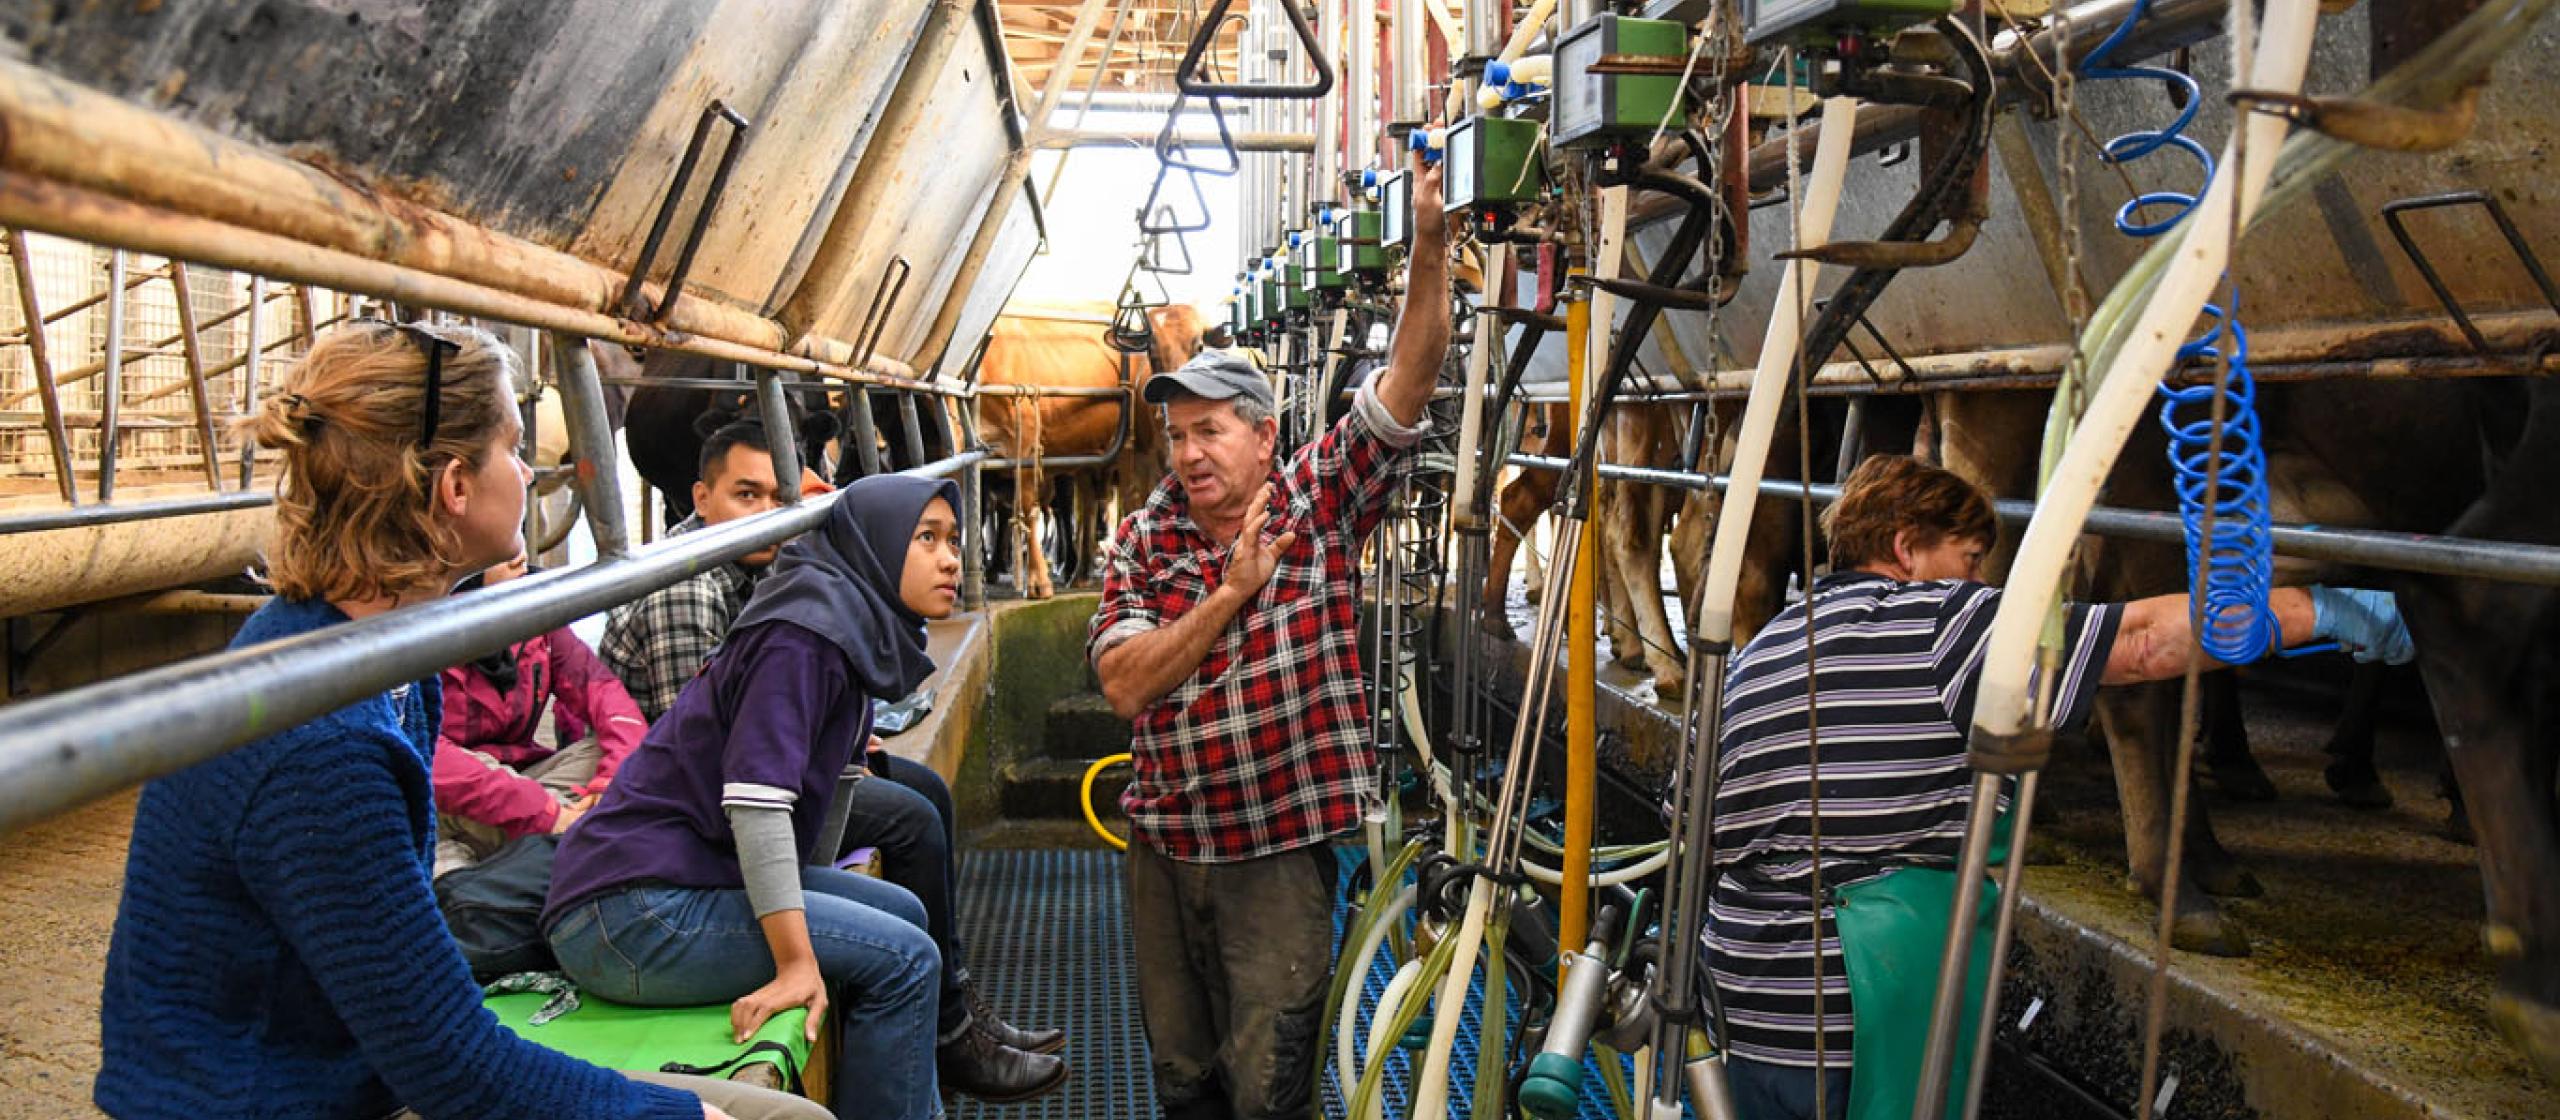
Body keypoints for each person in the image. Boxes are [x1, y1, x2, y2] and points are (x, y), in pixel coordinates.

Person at [94, 320, 811, 1120]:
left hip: (343, 1076)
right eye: (512, 445)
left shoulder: (390, 654)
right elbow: (453, 1066)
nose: (531, 468)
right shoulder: (323, 745)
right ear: (454, 489)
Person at [1704, 454, 2412, 1120]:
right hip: (1854, 1017)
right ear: (1904, 549)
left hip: (1740, 1006)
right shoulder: (1949, 621)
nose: (1980, 581)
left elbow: (1696, 825)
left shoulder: (1762, 649)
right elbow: (2138, 641)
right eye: (1970, 559)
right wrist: (2326, 610)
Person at [1085, 148, 1451, 1120]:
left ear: (1264, 435)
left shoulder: (1317, 501)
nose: (1190, 452)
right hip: (1166, 852)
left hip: (1278, 853)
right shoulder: (1144, 541)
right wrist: (1230, 593)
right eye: (1177, 435)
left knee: (1271, 1081)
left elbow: (1407, 382)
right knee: (1184, 1078)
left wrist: (1428, 243)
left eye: (1210, 430)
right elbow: (1124, 684)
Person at [545, 475, 1069, 1117]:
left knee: (904, 912)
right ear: (873, 544)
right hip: (627, 917)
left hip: (681, 885)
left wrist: (822, 917)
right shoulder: (803, 637)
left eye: (953, 539)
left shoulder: (852, 623)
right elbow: (759, 808)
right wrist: (797, 959)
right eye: (925, 538)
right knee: (905, 959)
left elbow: (830, 790)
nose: (951, 558)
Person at [433, 552, 648, 876]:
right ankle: (564, 840)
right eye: (502, 546)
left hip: (526, 782)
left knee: (604, 750)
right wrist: (548, 813)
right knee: (452, 775)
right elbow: (430, 758)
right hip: (454, 795)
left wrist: (609, 783)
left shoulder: (537, 622)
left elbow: (608, 698)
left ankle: (540, 843)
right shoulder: (420, 628)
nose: (520, 556)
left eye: (519, 538)